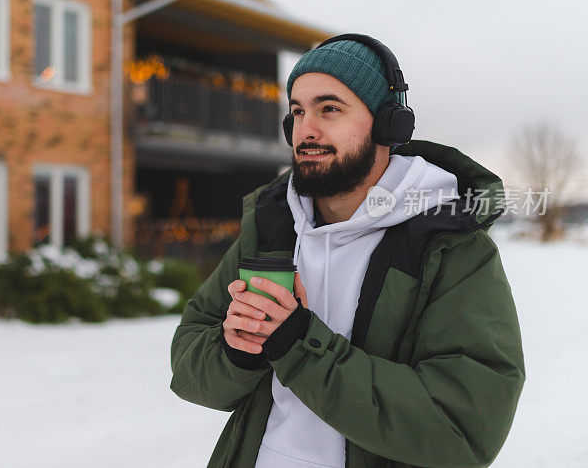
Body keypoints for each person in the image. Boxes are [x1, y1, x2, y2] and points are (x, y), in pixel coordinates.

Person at [169, 34, 525, 468]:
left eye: (329, 109)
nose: (306, 130)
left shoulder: (448, 244)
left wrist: (298, 344)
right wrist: (237, 352)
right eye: (298, 111)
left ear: (387, 125)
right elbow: (189, 371)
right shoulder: (271, 225)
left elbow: (463, 428)